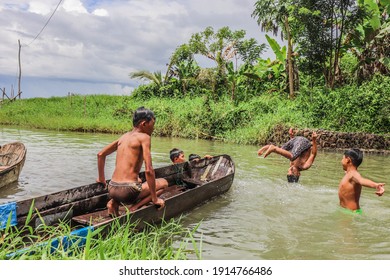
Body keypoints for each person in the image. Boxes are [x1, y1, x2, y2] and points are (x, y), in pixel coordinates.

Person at [96, 106, 167, 216]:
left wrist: (101, 178)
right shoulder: (144, 137)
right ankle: (134, 208)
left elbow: (101, 155)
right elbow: (149, 170)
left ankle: (113, 203)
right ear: (144, 124)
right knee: (163, 183)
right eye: (152, 124)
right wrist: (155, 198)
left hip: (112, 189)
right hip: (128, 191)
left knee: (137, 179)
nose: (153, 128)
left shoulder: (124, 137)